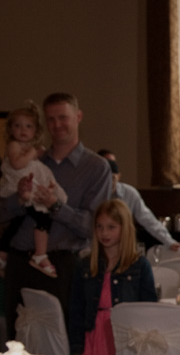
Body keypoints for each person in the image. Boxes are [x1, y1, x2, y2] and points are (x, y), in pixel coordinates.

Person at [0, 92, 111, 336]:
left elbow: (95, 227)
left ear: (78, 117)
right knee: (15, 343)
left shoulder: (96, 167)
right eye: (50, 119)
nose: (57, 125)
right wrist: (19, 199)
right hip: (19, 263)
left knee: (61, 345)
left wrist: (56, 206)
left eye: (63, 117)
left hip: (63, 267)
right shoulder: (28, 160)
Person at [68, 198, 157, 355]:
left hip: (124, 340)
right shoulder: (86, 265)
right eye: (99, 227)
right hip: (96, 339)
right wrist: (76, 351)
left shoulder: (139, 266)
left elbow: (148, 309)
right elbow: (76, 310)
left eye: (111, 227)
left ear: (124, 229)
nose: (104, 233)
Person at [0, 100, 68, 277]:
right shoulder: (14, 146)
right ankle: (40, 254)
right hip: (15, 188)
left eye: (28, 126)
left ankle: (3, 252)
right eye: (17, 126)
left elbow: (36, 171)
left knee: (18, 223)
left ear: (36, 131)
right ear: (10, 129)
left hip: (27, 191)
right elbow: (17, 164)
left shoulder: (33, 152)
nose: (22, 130)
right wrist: (32, 153)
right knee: (43, 218)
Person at [97, 149, 180, 251]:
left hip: (124, 248)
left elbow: (148, 220)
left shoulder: (129, 193)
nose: (108, 183)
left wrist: (170, 242)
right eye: (103, 178)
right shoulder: (91, 194)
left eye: (112, 178)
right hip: (97, 247)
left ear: (119, 177)